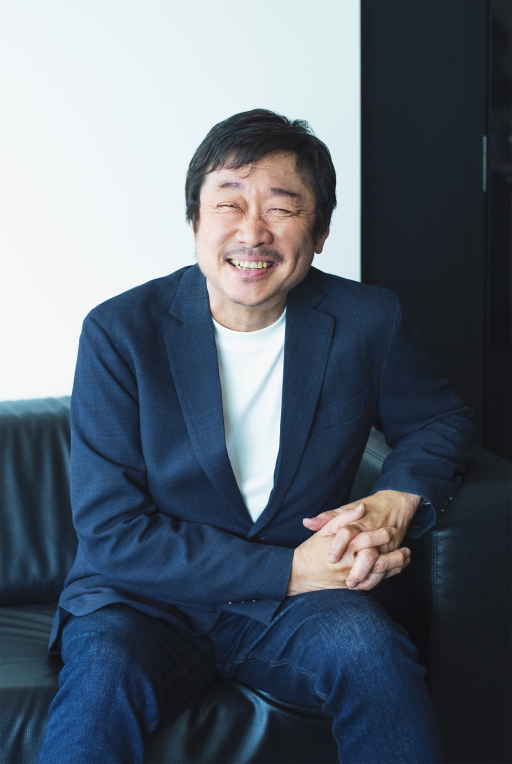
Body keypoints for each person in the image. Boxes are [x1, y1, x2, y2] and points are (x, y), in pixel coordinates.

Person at [37, 109, 473, 764]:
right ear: (195, 220)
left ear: (320, 230)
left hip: (298, 611)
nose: (253, 231)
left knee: (375, 658)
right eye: (229, 204)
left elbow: (439, 419)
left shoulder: (367, 321)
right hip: (144, 602)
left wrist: (397, 499)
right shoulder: (120, 332)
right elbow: (112, 530)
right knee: (101, 682)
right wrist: (292, 569)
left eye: (282, 207)